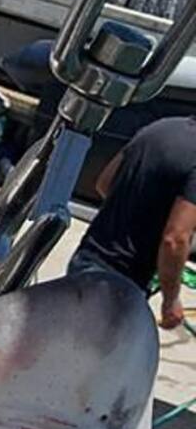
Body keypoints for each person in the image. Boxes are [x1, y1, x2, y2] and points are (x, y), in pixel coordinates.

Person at [68, 117, 196, 329]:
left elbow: (104, 183)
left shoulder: (159, 127)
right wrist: (170, 300)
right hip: (120, 285)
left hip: (86, 259)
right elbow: (175, 239)